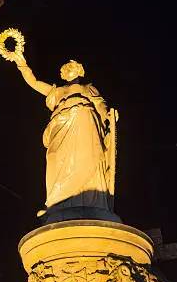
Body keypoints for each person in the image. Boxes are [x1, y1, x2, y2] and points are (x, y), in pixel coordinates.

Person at [12, 53, 113, 211]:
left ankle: (87, 200)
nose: (66, 71)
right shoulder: (58, 92)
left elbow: (100, 104)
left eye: (70, 68)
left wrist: (108, 115)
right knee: (55, 158)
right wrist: (21, 63)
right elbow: (34, 82)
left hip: (83, 122)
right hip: (60, 127)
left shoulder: (88, 89)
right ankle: (57, 202)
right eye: (65, 70)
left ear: (80, 70)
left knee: (85, 156)